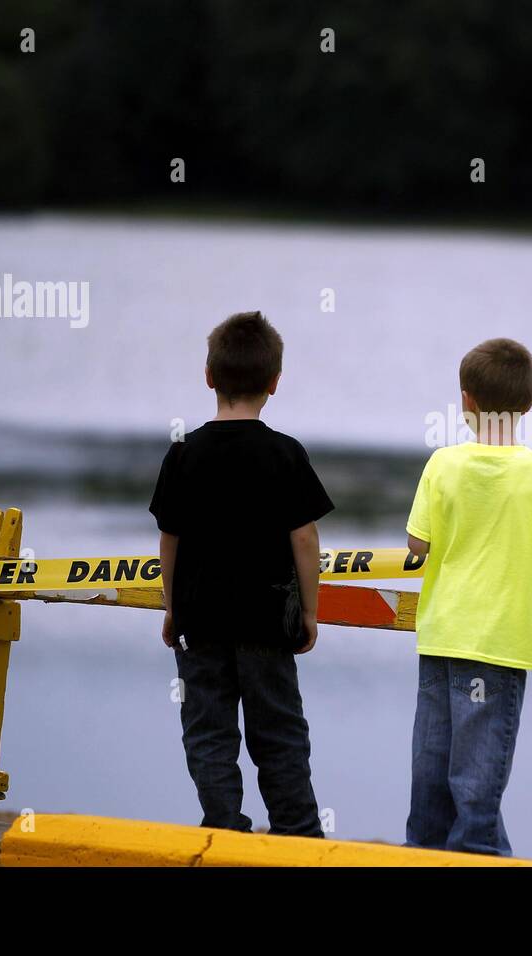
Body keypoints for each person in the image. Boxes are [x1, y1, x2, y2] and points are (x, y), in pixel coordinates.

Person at [149, 311, 331, 837]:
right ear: (275, 382)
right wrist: (310, 613)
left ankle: (223, 829)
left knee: (209, 734)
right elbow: (305, 539)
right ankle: (298, 837)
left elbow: (170, 539)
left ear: (209, 375)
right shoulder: (285, 453)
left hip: (200, 624)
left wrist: (171, 607)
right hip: (267, 624)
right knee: (279, 734)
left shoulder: (183, 452)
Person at [404, 337, 532, 856]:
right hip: (499, 641)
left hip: (441, 633)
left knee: (431, 769)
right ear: (528, 404)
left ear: (466, 401)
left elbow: (417, 543)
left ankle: (422, 853)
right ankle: (480, 856)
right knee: (477, 780)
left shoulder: (441, 464)